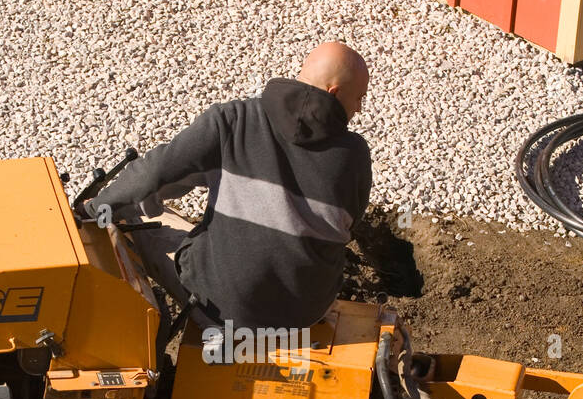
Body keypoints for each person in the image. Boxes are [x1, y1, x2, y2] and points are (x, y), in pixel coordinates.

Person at [82, 41, 372, 333]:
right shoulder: (355, 156)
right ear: (334, 92)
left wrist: (94, 210)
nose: (358, 109)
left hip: (223, 311)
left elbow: (152, 176)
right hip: (304, 315)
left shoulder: (233, 121)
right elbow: (348, 226)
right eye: (359, 98)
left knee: (130, 217)